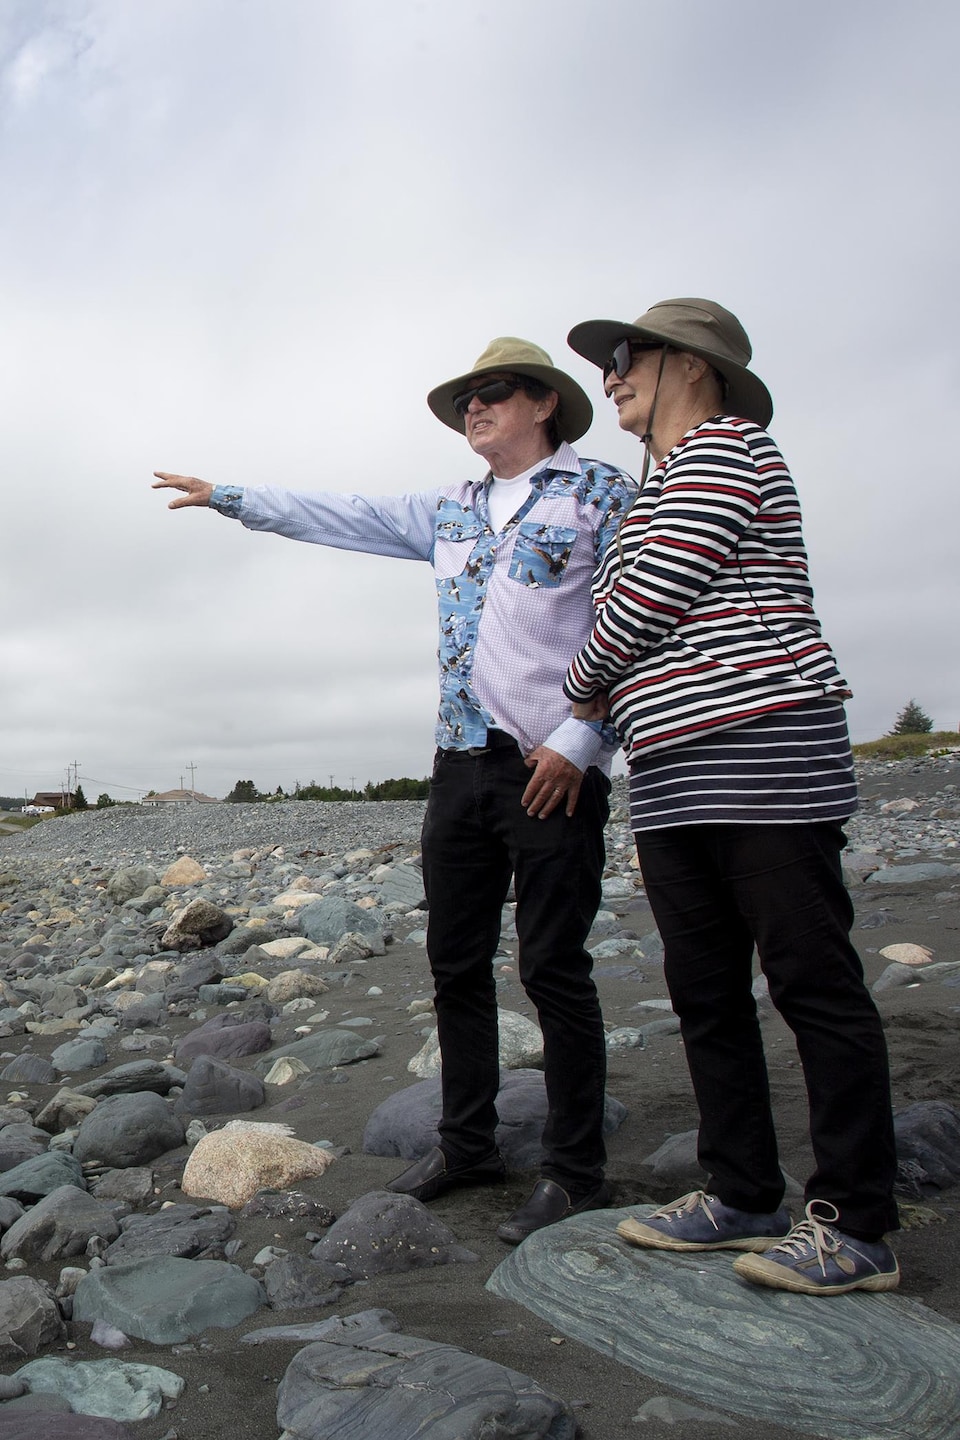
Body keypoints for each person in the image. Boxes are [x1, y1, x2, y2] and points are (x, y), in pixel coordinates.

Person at [153, 336, 635, 1244]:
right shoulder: (448, 510)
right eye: (463, 402)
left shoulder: (603, 494)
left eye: (490, 395)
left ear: (543, 405)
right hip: (459, 765)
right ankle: (468, 1144)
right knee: (455, 964)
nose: (472, 411)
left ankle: (576, 1171)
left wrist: (583, 740)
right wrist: (229, 498)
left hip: (552, 763)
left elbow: (636, 620)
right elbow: (346, 513)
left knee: (554, 969)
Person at [561, 299, 900, 1295]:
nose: (612, 375)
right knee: (705, 993)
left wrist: (578, 683)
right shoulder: (657, 482)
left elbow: (643, 602)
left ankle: (858, 1224)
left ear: (691, 366)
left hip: (762, 752)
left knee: (812, 982)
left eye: (628, 358)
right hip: (669, 773)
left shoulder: (729, 448)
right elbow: (638, 610)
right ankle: (742, 1191)